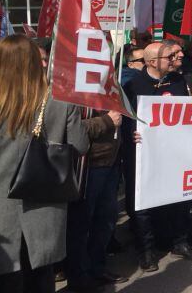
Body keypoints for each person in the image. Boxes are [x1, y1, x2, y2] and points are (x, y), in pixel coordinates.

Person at [0, 35, 90, 293]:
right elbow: (80, 146)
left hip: (2, 212)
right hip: (45, 206)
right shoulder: (60, 100)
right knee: (40, 277)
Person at [123, 42, 192, 272]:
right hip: (142, 155)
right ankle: (146, 249)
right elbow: (125, 120)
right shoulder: (132, 85)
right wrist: (132, 134)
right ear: (152, 62)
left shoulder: (178, 81)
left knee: (178, 197)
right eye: (170, 56)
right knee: (142, 203)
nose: (175, 58)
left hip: (173, 153)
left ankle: (180, 241)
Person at [66, 109, 127, 291]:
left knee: (105, 221)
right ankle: (79, 276)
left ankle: (97, 269)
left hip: (111, 163)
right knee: (81, 224)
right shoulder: (76, 90)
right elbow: (71, 129)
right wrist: (107, 121)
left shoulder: (111, 86)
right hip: (88, 166)